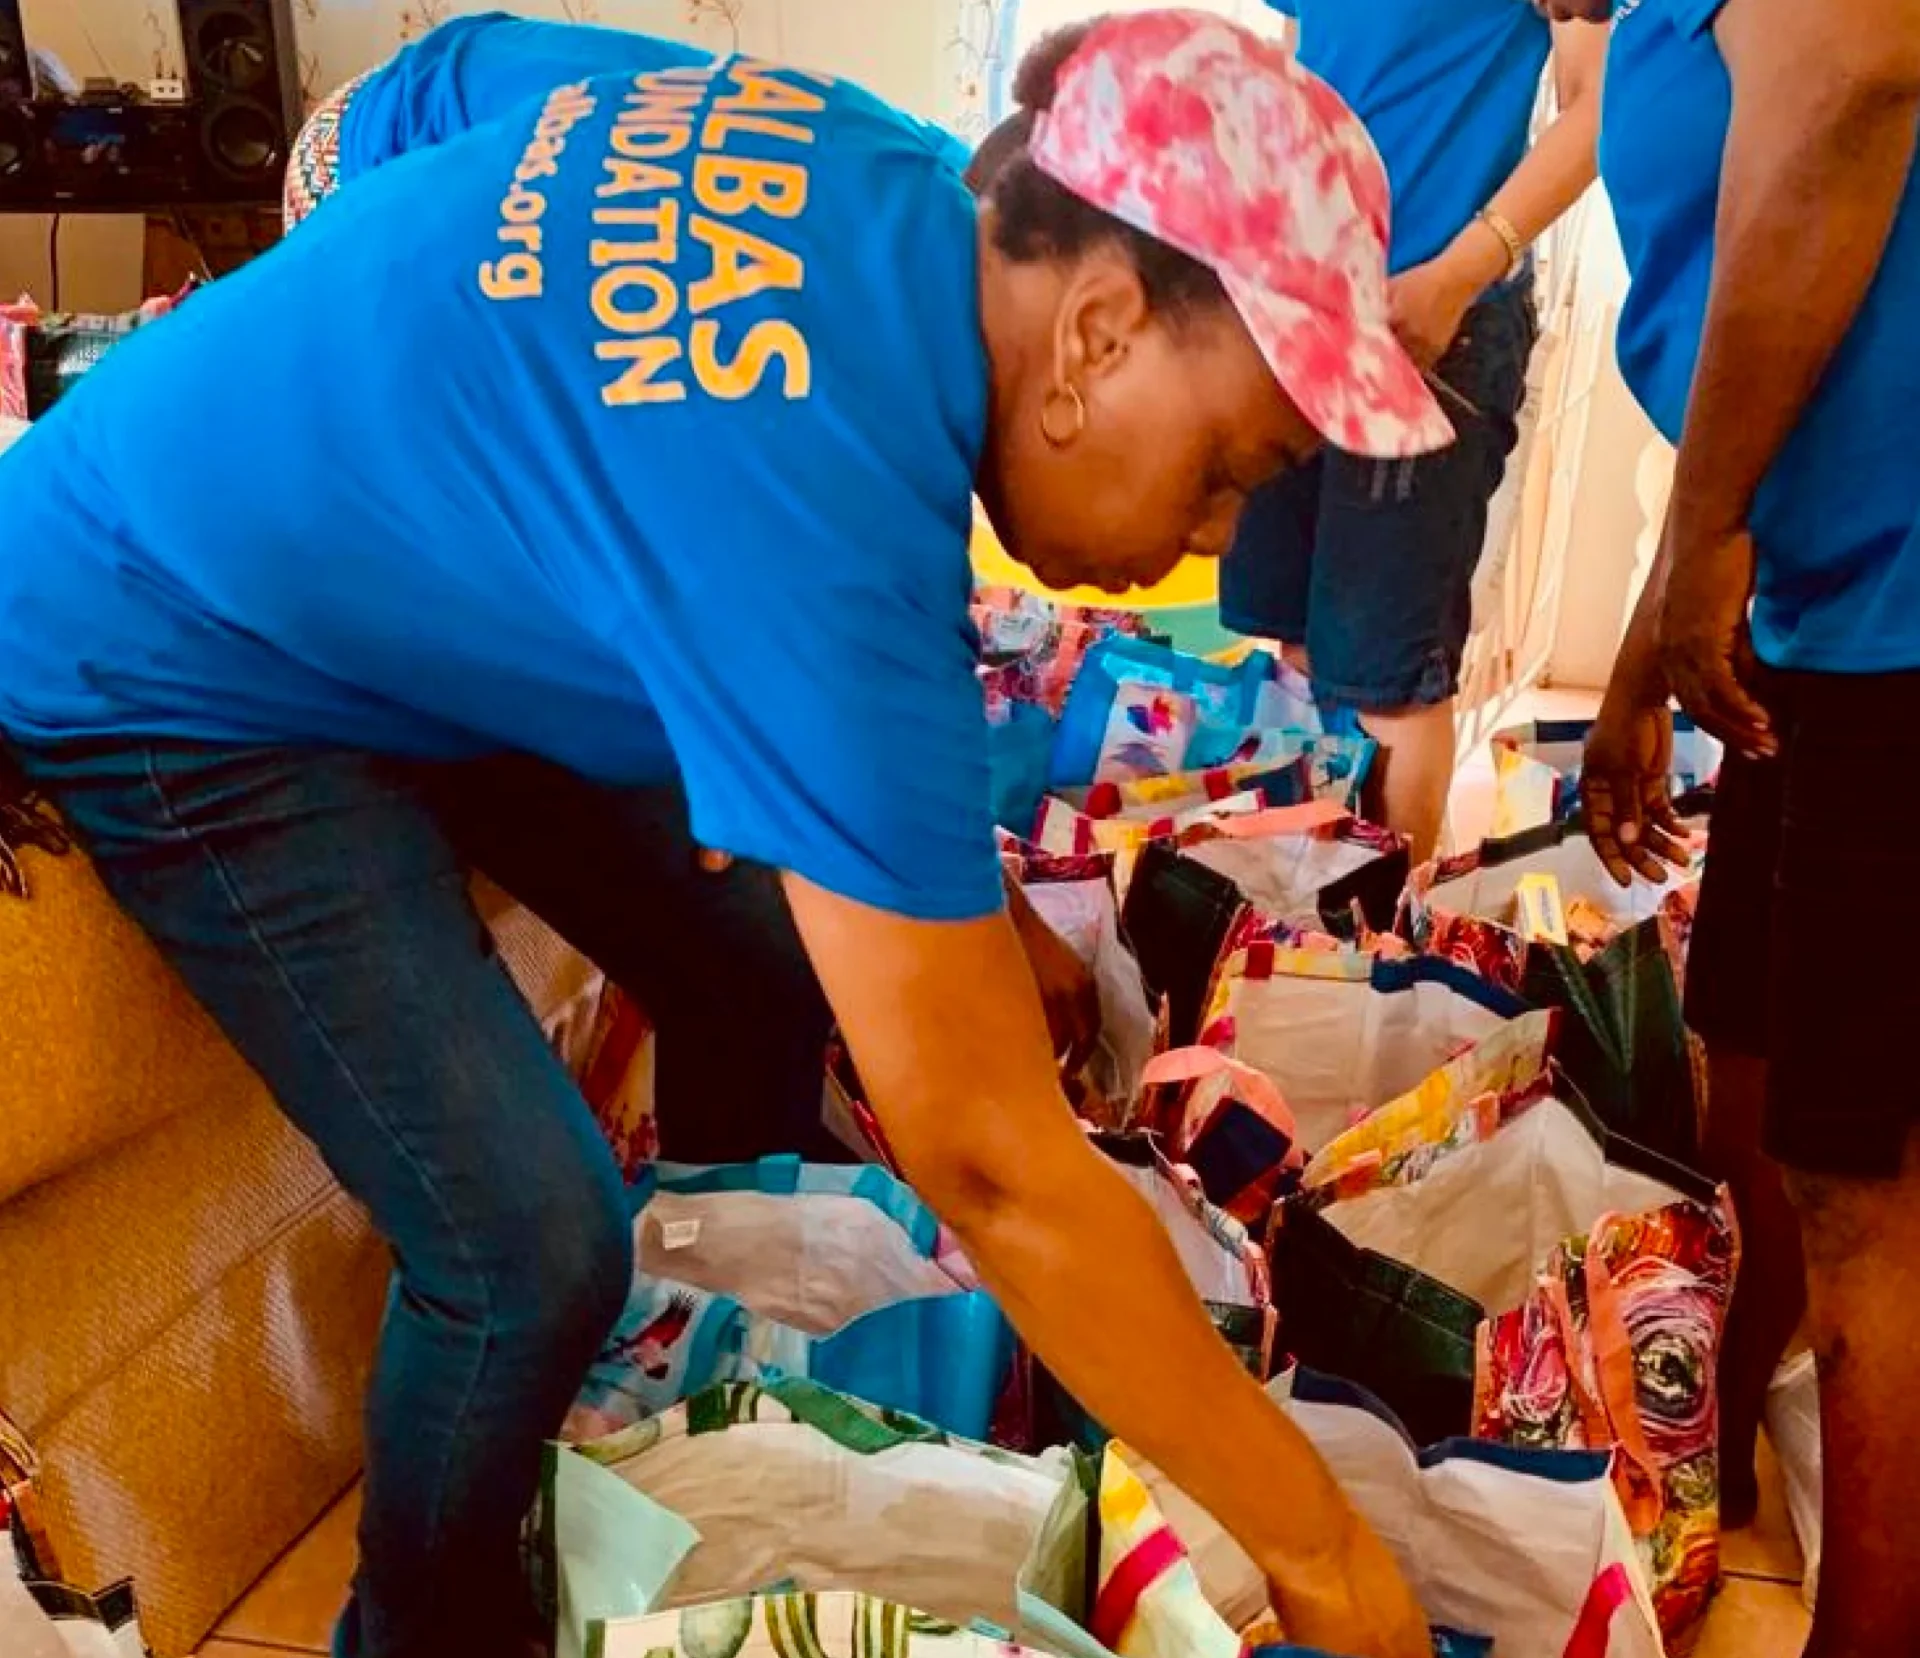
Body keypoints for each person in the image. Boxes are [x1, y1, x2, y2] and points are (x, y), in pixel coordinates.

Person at [0, 13, 1451, 1658]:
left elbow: (448, 101)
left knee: (770, 962)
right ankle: (423, 1629)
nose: (1212, 531)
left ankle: (703, 1407)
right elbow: (991, 1159)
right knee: (524, 1241)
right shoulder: (826, 500)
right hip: (168, 657)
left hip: (383, 628)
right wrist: (1321, 1548)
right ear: (1098, 331)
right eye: (1225, 471)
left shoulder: (873, 176)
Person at [278, 10, 1101, 1166]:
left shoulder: (942, 232)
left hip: (491, 183)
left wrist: (997, 913)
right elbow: (744, 596)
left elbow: (895, 670)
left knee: (754, 907)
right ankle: (736, 1268)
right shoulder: (826, 357)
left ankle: (743, 1251)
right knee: (731, 881)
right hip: (368, 171)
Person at [1557, 1, 1920, 1654]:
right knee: (1756, 1042)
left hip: (1899, 599)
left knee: (1874, 1188)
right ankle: (1721, 1474)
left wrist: (1705, 533)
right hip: (1833, 588)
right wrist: (1670, 607)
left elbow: (1850, 89)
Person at [1220, 0, 1608, 860]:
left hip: (1435, 318)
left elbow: (1598, 104)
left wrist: (1462, 272)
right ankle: (1294, 940)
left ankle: (1381, 945)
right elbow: (1301, 61)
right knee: (1298, 638)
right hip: (1298, 306)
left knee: (1389, 676)